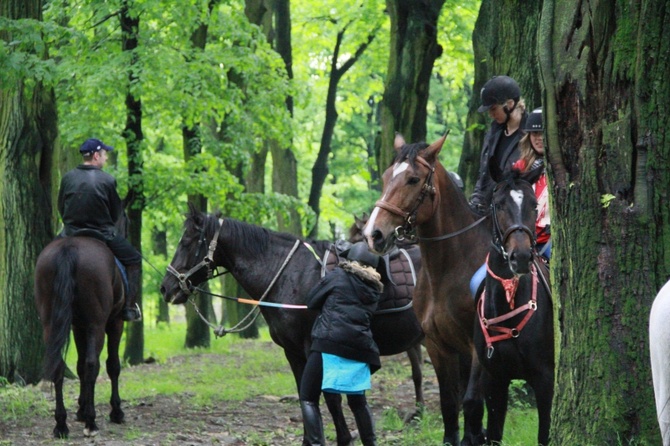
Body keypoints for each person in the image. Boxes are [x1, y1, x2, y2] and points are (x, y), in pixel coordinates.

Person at [299, 241, 383, 446]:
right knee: (358, 402)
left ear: (352, 259)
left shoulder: (338, 276)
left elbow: (311, 301)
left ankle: (317, 443)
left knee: (308, 397)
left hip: (329, 342)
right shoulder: (375, 288)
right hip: (360, 348)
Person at [57, 138, 142, 322]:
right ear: (96, 156)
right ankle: (128, 307)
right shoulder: (108, 180)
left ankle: (46, 305)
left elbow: (61, 207)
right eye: (104, 155)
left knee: (47, 256)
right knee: (134, 259)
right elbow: (115, 213)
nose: (106, 159)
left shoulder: (68, 177)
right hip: (102, 234)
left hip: (70, 232)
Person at [469, 75, 527, 215]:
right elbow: (484, 174)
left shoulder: (532, 134)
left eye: (493, 109)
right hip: (489, 211)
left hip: (518, 214)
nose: (490, 114)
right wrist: (476, 199)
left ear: (510, 104)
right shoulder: (492, 133)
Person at [512, 107, 551, 261]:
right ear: (528, 136)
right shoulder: (519, 168)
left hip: (549, 242)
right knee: (476, 281)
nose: (539, 138)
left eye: (543, 132)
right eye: (535, 133)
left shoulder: (563, 169)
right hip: (520, 240)